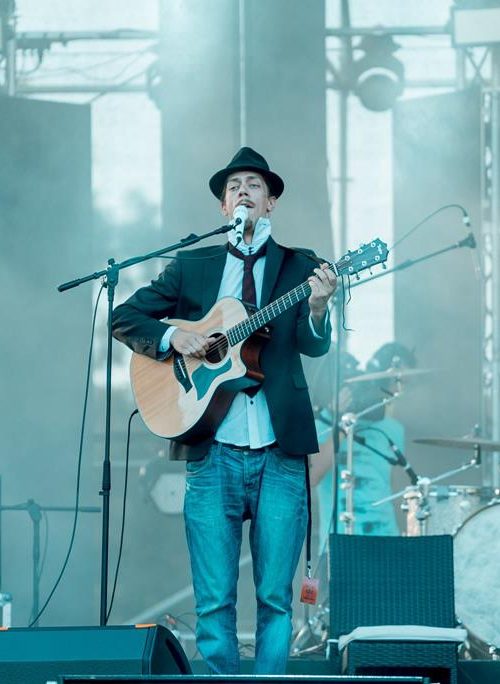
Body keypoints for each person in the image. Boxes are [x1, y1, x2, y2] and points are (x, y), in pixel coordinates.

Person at [112, 147, 337, 674]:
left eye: (254, 185)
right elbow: (125, 317)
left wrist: (319, 307)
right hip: (212, 452)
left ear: (271, 202)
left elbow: (313, 345)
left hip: (279, 451)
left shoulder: (301, 266)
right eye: (233, 186)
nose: (242, 192)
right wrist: (175, 338)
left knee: (276, 599)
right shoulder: (193, 265)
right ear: (222, 207)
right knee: (214, 602)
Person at [309, 342, 417, 545]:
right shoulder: (323, 423)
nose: (397, 391)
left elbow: (396, 490)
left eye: (403, 384)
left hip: (386, 538)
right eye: (396, 382)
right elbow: (312, 476)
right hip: (339, 543)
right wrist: (342, 423)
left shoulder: (394, 429)